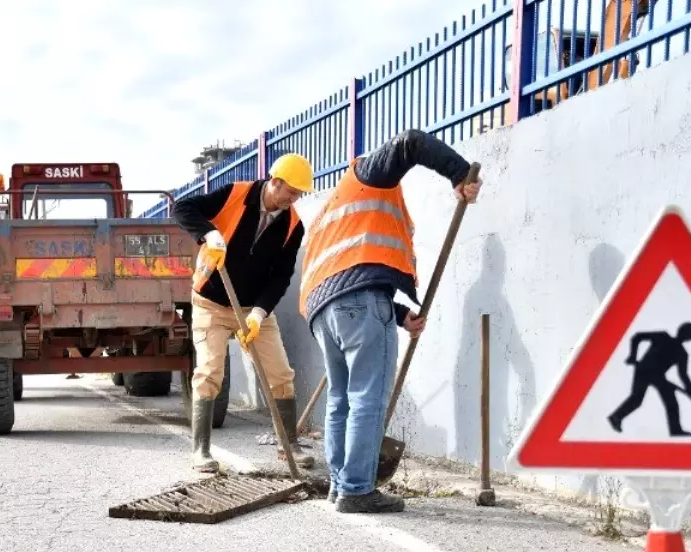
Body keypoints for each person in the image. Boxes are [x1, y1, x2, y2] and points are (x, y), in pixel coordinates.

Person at [298, 131, 482, 513]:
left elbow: (349, 269)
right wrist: (460, 173)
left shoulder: (330, 214)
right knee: (367, 397)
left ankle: (339, 484)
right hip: (360, 305)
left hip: (323, 312)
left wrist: (398, 315)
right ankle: (357, 489)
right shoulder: (368, 177)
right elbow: (411, 142)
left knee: (340, 400)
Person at [174, 154, 316, 473]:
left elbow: (281, 277)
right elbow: (182, 208)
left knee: (280, 374)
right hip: (210, 302)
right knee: (210, 373)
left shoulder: (293, 225)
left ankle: (288, 444)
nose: (294, 200)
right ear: (274, 182)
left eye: (299, 195)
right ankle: (201, 451)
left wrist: (259, 314)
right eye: (291, 192)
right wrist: (208, 233)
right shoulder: (234, 194)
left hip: (253, 309)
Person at [608, 323, 691, 436]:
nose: (684, 335)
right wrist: (633, 356)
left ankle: (676, 431)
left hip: (657, 376)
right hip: (644, 370)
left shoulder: (682, 354)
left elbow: (683, 374)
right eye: (685, 331)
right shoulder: (663, 336)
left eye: (688, 334)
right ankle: (616, 417)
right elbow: (637, 337)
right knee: (637, 399)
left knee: (670, 403)